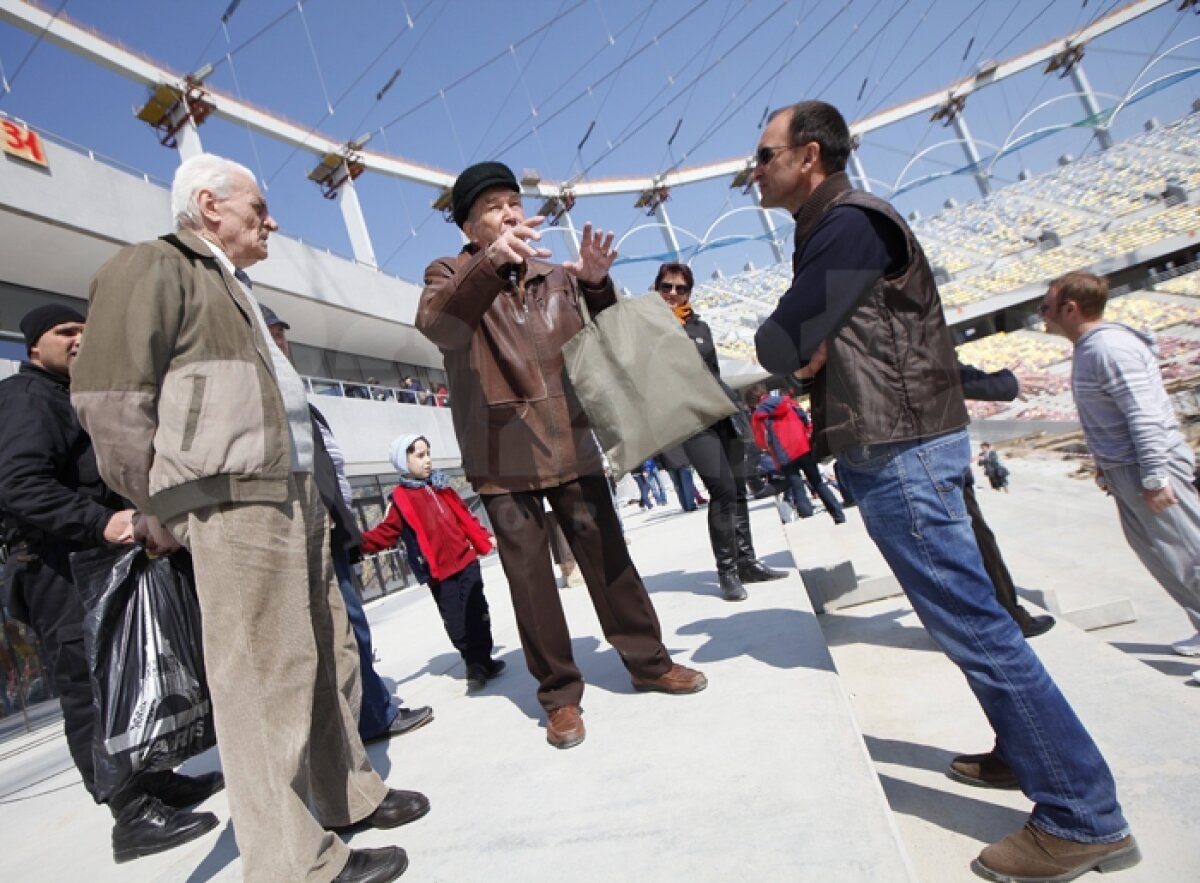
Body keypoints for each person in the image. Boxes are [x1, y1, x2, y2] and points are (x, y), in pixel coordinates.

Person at [752, 101, 1137, 882]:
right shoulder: (834, 225)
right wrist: (806, 351)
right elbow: (811, 346)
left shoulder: (849, 223)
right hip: (898, 440)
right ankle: (1026, 749)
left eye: (765, 154)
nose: (754, 170)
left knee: (976, 627)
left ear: (810, 156)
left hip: (901, 447)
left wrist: (799, 349)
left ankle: (1080, 811)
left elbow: (779, 341)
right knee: (970, 619)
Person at [72, 153, 426, 883]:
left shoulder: (235, 284)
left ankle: (346, 792)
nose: (272, 220)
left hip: (288, 490)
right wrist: (158, 502)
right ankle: (291, 860)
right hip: (228, 497)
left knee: (322, 652)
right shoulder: (154, 266)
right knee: (263, 676)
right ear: (209, 205)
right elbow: (109, 401)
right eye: (258, 207)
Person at [417, 160, 706, 750]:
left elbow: (605, 342)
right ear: (470, 228)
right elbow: (441, 328)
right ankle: (559, 696)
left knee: (609, 560)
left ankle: (648, 662)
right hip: (502, 453)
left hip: (572, 438)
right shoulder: (450, 274)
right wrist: (493, 262)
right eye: (495, 207)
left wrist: (597, 283)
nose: (511, 213)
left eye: (514, 202)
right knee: (531, 583)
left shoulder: (556, 275)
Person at [0, 304, 223, 863]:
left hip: (97, 563)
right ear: (34, 347)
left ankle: (150, 779)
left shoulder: (71, 396)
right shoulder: (27, 399)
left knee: (127, 675)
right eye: (64, 332)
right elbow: (20, 485)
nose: (79, 339)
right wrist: (101, 521)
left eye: (84, 330)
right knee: (90, 690)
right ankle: (129, 814)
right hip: (56, 569)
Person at [261, 304, 434, 742]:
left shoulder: (297, 397)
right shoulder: (263, 397)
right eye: (270, 334)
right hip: (307, 533)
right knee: (346, 629)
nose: (280, 343)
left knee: (347, 629)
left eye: (283, 334)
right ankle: (372, 717)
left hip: (332, 531)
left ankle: (367, 711)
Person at [1042, 270, 1200, 659]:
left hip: (1147, 466)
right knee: (1163, 556)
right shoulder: (1090, 347)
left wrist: (1154, 475)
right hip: (1126, 469)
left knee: (1188, 554)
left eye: (1045, 307)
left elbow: (1143, 415)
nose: (1041, 315)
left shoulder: (1107, 348)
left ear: (1070, 307)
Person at [654, 261, 787, 601]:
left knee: (739, 489)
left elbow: (713, 371)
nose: (672, 293)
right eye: (666, 286)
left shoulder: (699, 325)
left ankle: (747, 562)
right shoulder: (650, 330)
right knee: (723, 490)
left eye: (680, 288)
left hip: (723, 415)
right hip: (691, 421)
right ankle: (726, 570)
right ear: (657, 289)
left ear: (688, 292)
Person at [360, 434, 506, 690]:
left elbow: (464, 516)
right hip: (438, 572)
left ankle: (482, 660)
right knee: (455, 618)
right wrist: (356, 542)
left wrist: (484, 538)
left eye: (428, 453)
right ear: (403, 462)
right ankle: (473, 661)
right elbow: (386, 532)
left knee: (477, 611)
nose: (427, 460)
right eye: (419, 455)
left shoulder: (442, 486)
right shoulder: (400, 500)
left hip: (466, 560)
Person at [958, 363, 1056, 639]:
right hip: (934, 454)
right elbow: (938, 369)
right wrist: (1003, 384)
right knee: (978, 541)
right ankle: (1011, 619)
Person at [748, 384, 845, 524]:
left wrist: (770, 447)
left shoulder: (758, 415)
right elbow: (806, 421)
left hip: (784, 455)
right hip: (803, 447)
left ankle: (808, 520)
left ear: (754, 400)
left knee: (797, 487)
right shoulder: (788, 402)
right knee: (818, 482)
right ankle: (838, 515)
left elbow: (761, 442)